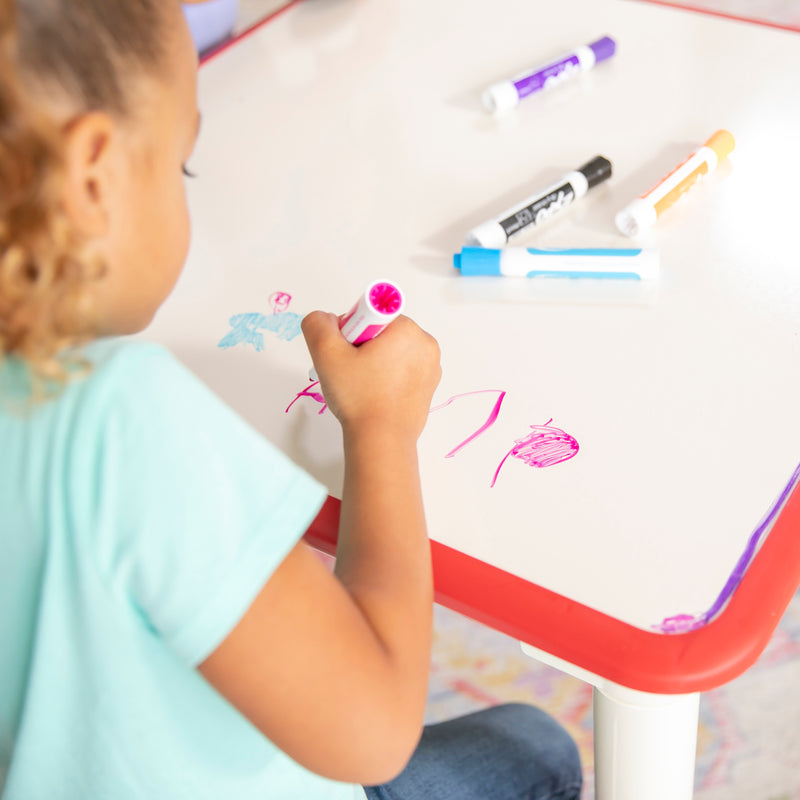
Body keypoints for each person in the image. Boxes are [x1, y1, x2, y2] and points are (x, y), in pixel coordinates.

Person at [0, 2, 583, 798]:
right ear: (93, 176)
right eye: (181, 166)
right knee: (539, 750)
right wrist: (381, 427)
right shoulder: (114, 419)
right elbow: (374, 730)